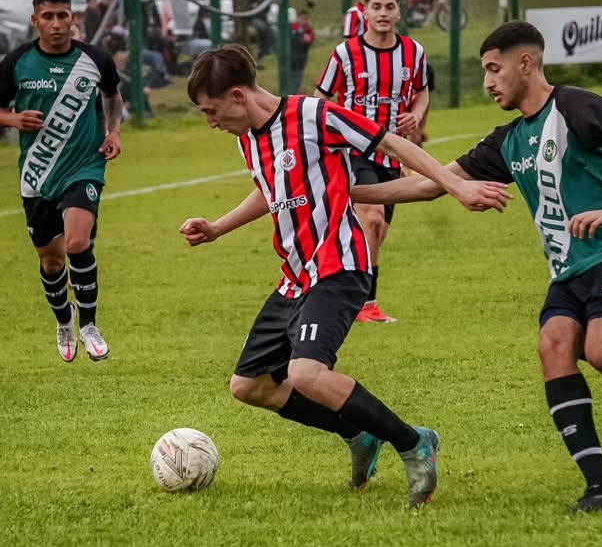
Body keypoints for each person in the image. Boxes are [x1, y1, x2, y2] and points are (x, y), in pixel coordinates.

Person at [351, 20, 602, 512]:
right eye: (484, 73)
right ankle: (599, 489)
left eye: (495, 70)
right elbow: (430, 184)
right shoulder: (508, 140)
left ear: (526, 63)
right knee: (553, 346)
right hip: (569, 273)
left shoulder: (574, 105)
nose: (488, 82)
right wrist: (345, 192)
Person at [179, 44, 508, 506]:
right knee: (249, 386)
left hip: (339, 265)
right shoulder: (247, 137)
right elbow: (268, 188)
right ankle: (359, 432)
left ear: (238, 96)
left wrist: (456, 186)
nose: (211, 122)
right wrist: (217, 227)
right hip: (296, 275)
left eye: (211, 111)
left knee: (307, 373)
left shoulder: (316, 116)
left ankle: (414, 443)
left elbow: (393, 144)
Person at [0, 0, 122, 362]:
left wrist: (113, 131)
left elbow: (112, 95)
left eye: (63, 15)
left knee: (77, 241)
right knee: (51, 263)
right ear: (35, 19)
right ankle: (64, 321)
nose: (56, 23)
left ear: (73, 18)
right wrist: (14, 120)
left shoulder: (95, 59)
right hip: (37, 173)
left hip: (84, 165)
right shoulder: (16, 62)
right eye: (48, 16)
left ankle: (89, 326)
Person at [316, 0, 429, 323]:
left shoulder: (413, 52)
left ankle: (344, 292)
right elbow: (320, 99)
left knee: (376, 234)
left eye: (389, 6)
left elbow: (421, 91)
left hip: (393, 156)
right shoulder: (344, 54)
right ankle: (365, 305)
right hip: (353, 153)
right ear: (363, 11)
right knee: (372, 220)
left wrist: (415, 115)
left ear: (398, 12)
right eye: (376, 6)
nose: (383, 13)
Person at [286, 10, 314, 95]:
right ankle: (288, 92)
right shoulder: (291, 27)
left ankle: (294, 93)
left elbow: (309, 40)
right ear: (297, 18)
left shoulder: (308, 30)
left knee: (298, 75)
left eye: (306, 19)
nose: (304, 20)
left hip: (302, 57)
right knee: (290, 75)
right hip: (291, 56)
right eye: (302, 18)